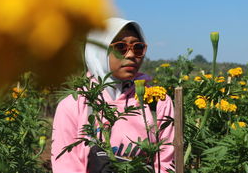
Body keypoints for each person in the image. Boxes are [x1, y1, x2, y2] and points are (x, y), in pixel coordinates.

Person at [51, 17, 175, 172]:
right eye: (121, 47)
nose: (130, 55)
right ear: (100, 50)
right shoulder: (73, 106)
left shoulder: (157, 103)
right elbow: (66, 167)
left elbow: (166, 165)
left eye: (138, 48)